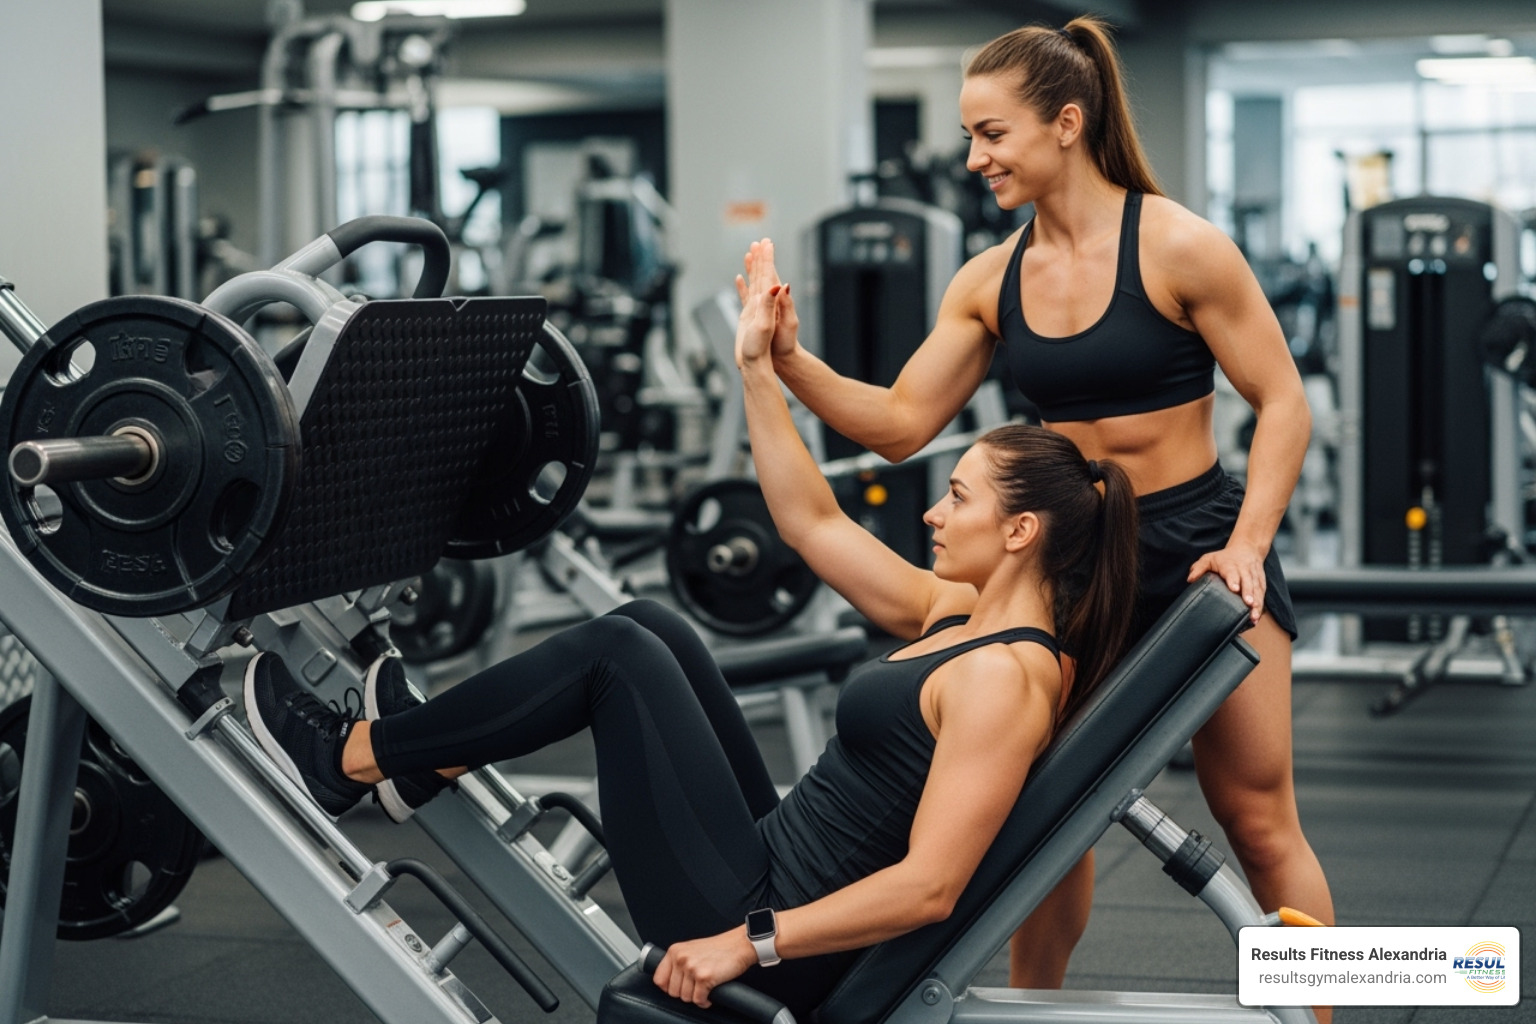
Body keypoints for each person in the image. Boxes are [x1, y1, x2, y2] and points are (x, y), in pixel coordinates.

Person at [243, 247, 1139, 1015]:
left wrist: (749, 945)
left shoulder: (1003, 680)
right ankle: (425, 756)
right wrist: (760, 367)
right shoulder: (964, 618)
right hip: (772, 860)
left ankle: (349, 760)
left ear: (1022, 532)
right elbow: (812, 527)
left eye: (959, 498)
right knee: (653, 624)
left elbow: (930, 887)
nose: (935, 517)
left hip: (765, 924)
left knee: (619, 657)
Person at [747, 15, 1334, 1018]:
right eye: (971, 137)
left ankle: (1319, 1013)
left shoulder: (1180, 246)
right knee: (1047, 819)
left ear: (1067, 123)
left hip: (1200, 543)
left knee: (1257, 814)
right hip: (1073, 569)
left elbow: (1284, 402)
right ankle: (1035, 1007)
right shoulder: (990, 278)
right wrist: (785, 358)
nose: (975, 157)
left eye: (993, 134)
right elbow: (896, 423)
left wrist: (1248, 545)